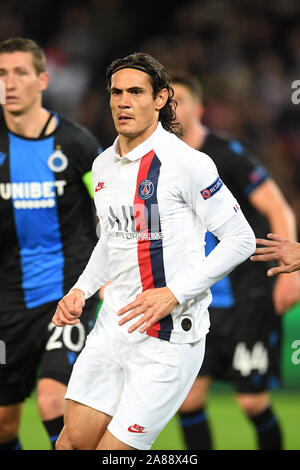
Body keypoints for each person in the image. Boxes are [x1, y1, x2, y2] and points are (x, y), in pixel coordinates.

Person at [52, 52, 256, 451]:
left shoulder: (188, 163)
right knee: (70, 445)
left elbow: (240, 239)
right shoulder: (104, 165)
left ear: (161, 98)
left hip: (168, 338)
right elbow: (112, 240)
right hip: (111, 329)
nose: (123, 101)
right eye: (115, 92)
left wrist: (175, 294)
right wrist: (81, 290)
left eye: (135, 92)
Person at [171, 73, 300, 450]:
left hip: (248, 296)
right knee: (189, 399)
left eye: (181, 100)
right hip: (198, 299)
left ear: (200, 108)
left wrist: (290, 273)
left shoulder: (227, 154)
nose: (173, 108)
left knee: (251, 401)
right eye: (168, 100)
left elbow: (277, 207)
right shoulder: (161, 160)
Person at [0, 37, 102, 450]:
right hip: (8, 302)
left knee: (52, 399)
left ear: (42, 79)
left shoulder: (77, 144)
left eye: (20, 73)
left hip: (69, 295)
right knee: (4, 424)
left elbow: (113, 209)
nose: (9, 83)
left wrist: (111, 276)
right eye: (2, 74)